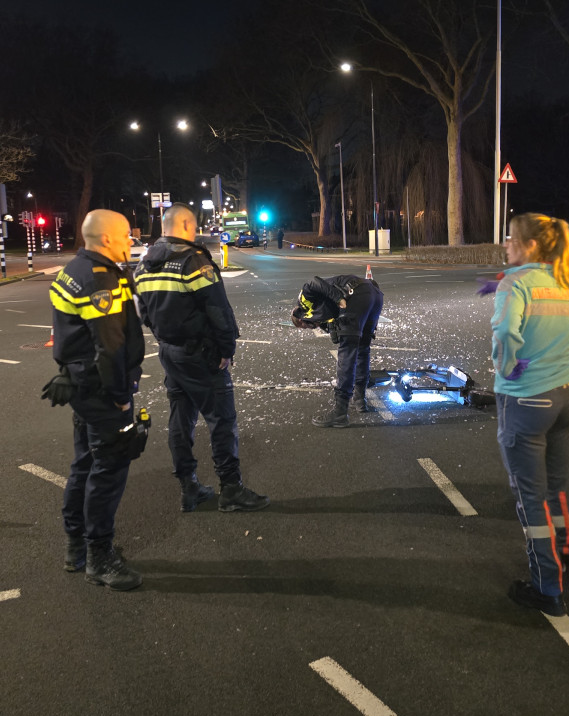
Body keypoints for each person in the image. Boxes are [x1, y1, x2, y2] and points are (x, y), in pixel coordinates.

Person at [134, 206, 269, 513]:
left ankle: (188, 486)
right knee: (221, 419)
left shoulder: (143, 265)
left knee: (180, 419)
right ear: (183, 225)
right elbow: (218, 310)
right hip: (201, 355)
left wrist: (165, 338)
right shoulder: (193, 262)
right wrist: (225, 350)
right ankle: (231, 488)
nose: (195, 233)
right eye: (193, 227)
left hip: (170, 353)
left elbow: (143, 313)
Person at [487, 213, 569, 617]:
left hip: (526, 399)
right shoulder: (564, 279)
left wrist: (505, 367)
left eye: (511, 239)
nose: (506, 245)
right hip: (566, 393)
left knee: (531, 497)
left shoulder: (517, 282)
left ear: (529, 246)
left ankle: (547, 586)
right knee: (561, 487)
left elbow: (506, 334)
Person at [48, 209, 145, 591]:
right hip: (102, 391)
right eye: (124, 235)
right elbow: (110, 346)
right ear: (105, 239)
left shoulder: (75, 269)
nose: (129, 241)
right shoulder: (98, 279)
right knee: (108, 470)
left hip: (81, 386)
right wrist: (122, 399)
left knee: (85, 464)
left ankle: (76, 547)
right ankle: (99, 556)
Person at [291, 273, 384, 426]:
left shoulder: (304, 300)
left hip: (354, 295)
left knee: (347, 351)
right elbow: (333, 322)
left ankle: (340, 412)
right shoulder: (320, 310)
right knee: (362, 348)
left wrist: (337, 298)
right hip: (373, 295)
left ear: (300, 319)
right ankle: (360, 399)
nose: (311, 327)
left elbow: (312, 281)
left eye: (306, 326)